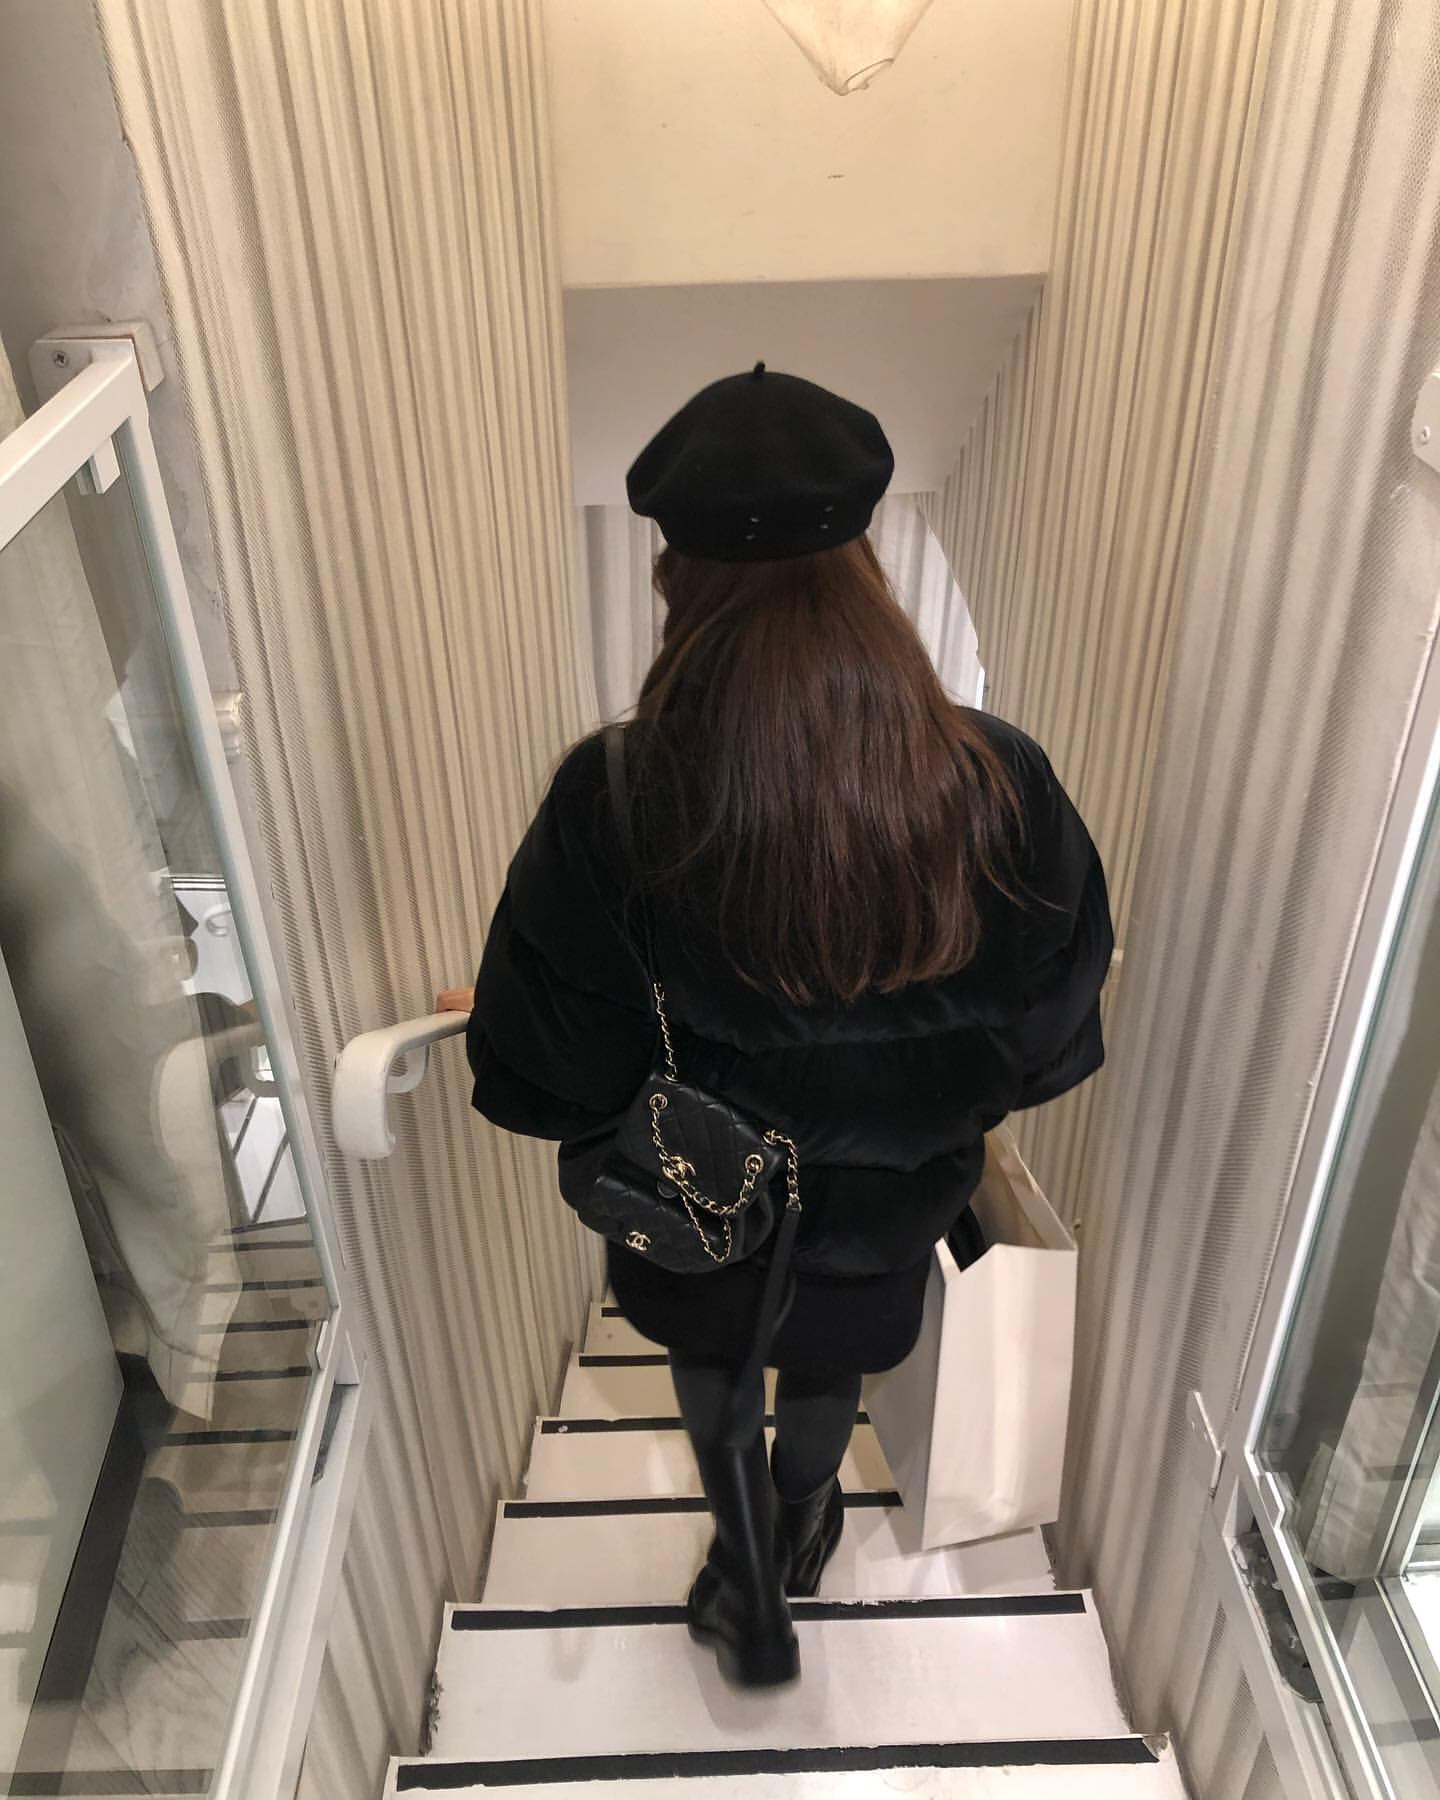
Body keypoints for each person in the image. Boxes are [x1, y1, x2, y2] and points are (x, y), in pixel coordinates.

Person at [442, 365, 1113, 1690]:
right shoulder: (996, 781)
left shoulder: (613, 794)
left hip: (697, 1193)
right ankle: (806, 1520)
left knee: (710, 1349)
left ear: (678, 576)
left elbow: (551, 1064)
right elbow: (1051, 1012)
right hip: (887, 1205)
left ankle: (746, 1560)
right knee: (826, 1368)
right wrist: (922, 1099)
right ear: (865, 560)